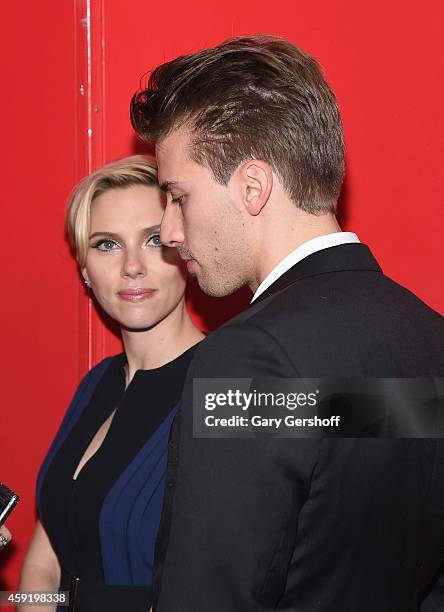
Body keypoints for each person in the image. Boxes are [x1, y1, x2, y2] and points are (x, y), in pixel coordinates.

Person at [130, 35, 444, 611]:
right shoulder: (429, 338)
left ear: (253, 186)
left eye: (178, 196)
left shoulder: (253, 361)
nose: (171, 232)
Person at [18, 156, 204, 612]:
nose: (132, 267)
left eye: (155, 240)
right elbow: (43, 566)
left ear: (185, 246)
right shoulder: (96, 385)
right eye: (106, 245)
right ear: (84, 269)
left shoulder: (224, 385)